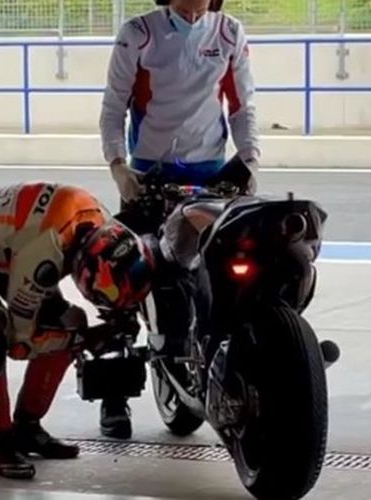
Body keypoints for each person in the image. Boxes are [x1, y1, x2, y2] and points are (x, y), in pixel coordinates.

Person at [98, 0, 259, 438]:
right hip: (148, 177)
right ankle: (114, 394)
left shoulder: (229, 32)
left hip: (211, 176)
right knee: (120, 273)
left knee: (228, 270)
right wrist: (118, 167)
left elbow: (242, 105)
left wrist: (250, 159)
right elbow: (114, 106)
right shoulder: (139, 34)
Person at [0, 182, 156, 479]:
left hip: (11, 244)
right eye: (102, 297)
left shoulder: (104, 227)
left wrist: (111, 321)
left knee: (69, 321)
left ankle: (27, 428)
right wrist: (85, 339)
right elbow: (20, 344)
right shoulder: (45, 252)